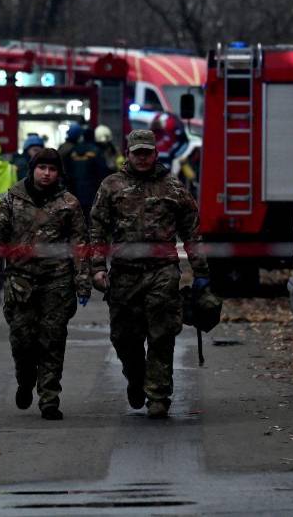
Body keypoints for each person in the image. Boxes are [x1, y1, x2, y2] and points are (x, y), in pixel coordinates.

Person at [90, 129, 210, 419]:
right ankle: (136, 376)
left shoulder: (173, 188)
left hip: (162, 273)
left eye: (147, 152)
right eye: (137, 153)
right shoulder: (111, 186)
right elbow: (97, 229)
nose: (142, 158)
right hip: (123, 274)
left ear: (155, 154)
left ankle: (158, 395)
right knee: (124, 337)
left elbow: (192, 232)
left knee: (161, 335)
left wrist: (201, 272)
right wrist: (96, 267)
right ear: (127, 154)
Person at [0, 148, 91, 420]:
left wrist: (83, 281)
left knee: (53, 340)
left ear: (59, 173)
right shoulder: (12, 199)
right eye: (42, 168)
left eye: (52, 169)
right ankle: (26, 379)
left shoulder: (68, 203)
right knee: (22, 341)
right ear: (33, 169)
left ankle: (49, 398)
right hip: (20, 282)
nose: (47, 174)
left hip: (57, 282)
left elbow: (80, 244)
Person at [63, 126, 110, 222]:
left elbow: (67, 171)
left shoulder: (73, 150)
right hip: (92, 192)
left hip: (75, 191)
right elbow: (103, 172)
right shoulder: (97, 151)